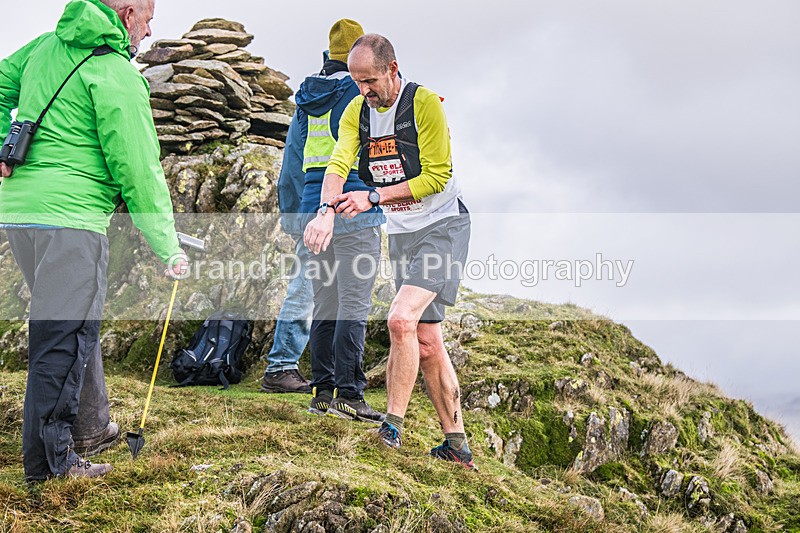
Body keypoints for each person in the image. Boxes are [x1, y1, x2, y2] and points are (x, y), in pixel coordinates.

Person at [0, 0, 186, 481]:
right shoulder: (114, 73)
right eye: (147, 18)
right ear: (126, 15)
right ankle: (51, 466)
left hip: (20, 215)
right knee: (59, 344)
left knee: (67, 330)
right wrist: (167, 245)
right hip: (72, 221)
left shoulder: (45, 48)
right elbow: (139, 171)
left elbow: (0, 83)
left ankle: (86, 429)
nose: (149, 30)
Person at [304, 34, 475, 468]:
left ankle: (391, 428)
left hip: (442, 227)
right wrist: (325, 211)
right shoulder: (356, 112)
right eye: (358, 82)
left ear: (392, 70)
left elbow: (436, 177)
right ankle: (456, 444)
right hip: (403, 235)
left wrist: (374, 198)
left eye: (371, 81)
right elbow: (339, 163)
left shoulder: (424, 105)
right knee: (427, 339)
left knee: (400, 318)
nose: (364, 90)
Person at [296, 20, 386, 423]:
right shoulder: (361, 92)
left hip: (315, 211)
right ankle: (350, 395)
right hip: (353, 209)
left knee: (325, 304)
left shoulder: (305, 98)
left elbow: (292, 162)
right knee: (353, 304)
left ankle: (322, 391)